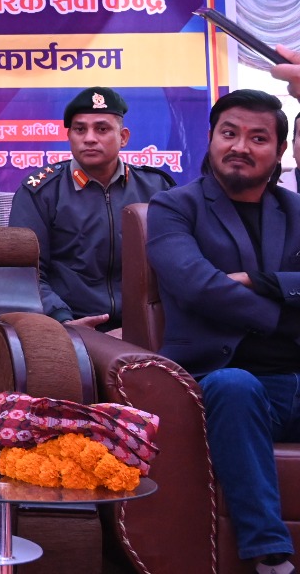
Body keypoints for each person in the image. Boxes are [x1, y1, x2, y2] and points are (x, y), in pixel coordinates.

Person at [147, 89, 300, 574]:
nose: (240, 147)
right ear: (211, 137)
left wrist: (260, 281)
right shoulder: (174, 207)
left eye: (258, 138)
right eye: (229, 133)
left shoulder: (295, 209)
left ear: (279, 150)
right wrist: (283, 313)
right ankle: (270, 555)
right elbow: (197, 285)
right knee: (236, 386)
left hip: (295, 378)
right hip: (220, 381)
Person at [10, 87, 175, 329]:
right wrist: (63, 319)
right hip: (68, 325)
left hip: (147, 325)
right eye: (80, 129)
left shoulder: (157, 188)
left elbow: (175, 262)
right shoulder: (41, 191)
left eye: (102, 129)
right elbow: (26, 271)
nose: (89, 138)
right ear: (69, 136)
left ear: (123, 137)